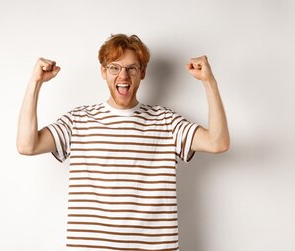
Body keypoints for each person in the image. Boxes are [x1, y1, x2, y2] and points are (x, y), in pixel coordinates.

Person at [16, 34, 230, 250]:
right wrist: (35, 82)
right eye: (114, 68)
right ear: (103, 72)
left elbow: (217, 142)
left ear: (142, 73)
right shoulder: (79, 120)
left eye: (132, 68)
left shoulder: (166, 121)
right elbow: (27, 145)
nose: (123, 75)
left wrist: (209, 82)